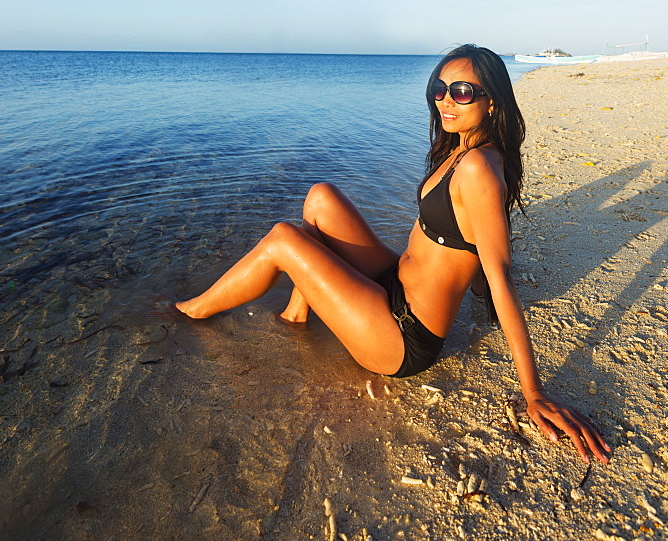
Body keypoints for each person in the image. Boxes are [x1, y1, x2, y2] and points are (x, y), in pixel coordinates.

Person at [176, 43, 610, 464]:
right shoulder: (461, 149)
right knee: (321, 197)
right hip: (392, 284)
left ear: (491, 101)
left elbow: (499, 273)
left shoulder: (478, 167)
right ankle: (296, 315)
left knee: (283, 240)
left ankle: (193, 312)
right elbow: (471, 248)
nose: (446, 101)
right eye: (438, 89)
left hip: (402, 336)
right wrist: (475, 288)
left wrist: (532, 392)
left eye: (461, 92)